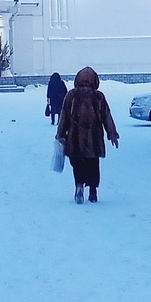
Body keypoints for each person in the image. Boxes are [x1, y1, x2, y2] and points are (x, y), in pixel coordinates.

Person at [55, 66, 119, 205]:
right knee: (93, 164)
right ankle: (93, 191)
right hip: (94, 139)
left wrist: (60, 134)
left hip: (75, 138)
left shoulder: (71, 95)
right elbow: (106, 116)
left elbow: (64, 117)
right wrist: (112, 133)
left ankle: (79, 186)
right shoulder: (98, 96)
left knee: (77, 164)